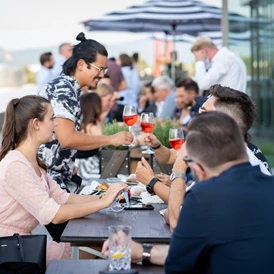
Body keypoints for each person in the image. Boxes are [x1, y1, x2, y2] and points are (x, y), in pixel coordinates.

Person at [103, 111, 274, 274]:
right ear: (244, 147)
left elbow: (177, 265)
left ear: (198, 169)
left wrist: (179, 167)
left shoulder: (203, 197)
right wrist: (142, 251)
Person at [0, 95, 127, 266]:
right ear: (36, 124)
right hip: (11, 253)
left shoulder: (33, 162)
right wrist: (103, 202)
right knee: (103, 248)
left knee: (101, 245)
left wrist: (109, 197)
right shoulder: (16, 165)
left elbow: (63, 197)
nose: (56, 123)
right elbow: (53, 215)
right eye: (52, 118)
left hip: (23, 246)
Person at [38, 32, 133, 193]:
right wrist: (111, 139)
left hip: (55, 175)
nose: (102, 75)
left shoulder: (69, 88)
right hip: (47, 180)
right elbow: (67, 138)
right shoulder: (63, 90)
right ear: (81, 64)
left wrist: (67, 163)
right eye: (100, 69)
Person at [74, 92, 103, 183]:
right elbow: (108, 142)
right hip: (88, 169)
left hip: (78, 166)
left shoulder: (80, 126)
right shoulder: (92, 128)